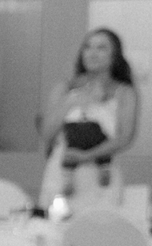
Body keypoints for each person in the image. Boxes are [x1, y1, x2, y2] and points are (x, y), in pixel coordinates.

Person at [38, 27, 140, 206]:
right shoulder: (64, 88)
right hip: (63, 173)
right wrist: (71, 102)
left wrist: (86, 155)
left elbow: (125, 137)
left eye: (101, 48)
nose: (93, 53)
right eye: (88, 47)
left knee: (101, 228)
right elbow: (47, 133)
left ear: (114, 56)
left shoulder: (124, 92)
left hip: (102, 174)